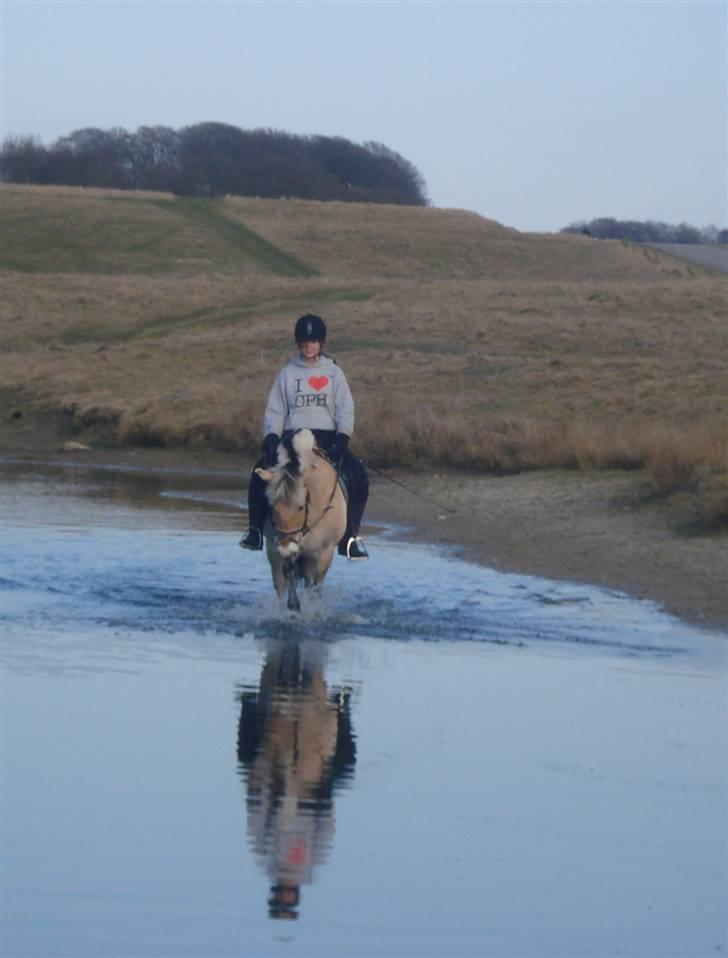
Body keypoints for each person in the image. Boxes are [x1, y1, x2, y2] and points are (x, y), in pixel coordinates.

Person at [240, 313, 369, 560]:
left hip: (327, 439)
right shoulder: (287, 374)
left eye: (313, 342)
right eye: (304, 342)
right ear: (299, 344)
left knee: (358, 475)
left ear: (321, 343)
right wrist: (271, 437)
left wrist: (343, 438)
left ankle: (351, 538)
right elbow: (276, 410)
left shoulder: (334, 374)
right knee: (259, 471)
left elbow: (345, 408)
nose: (309, 347)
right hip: (292, 438)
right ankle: (255, 529)